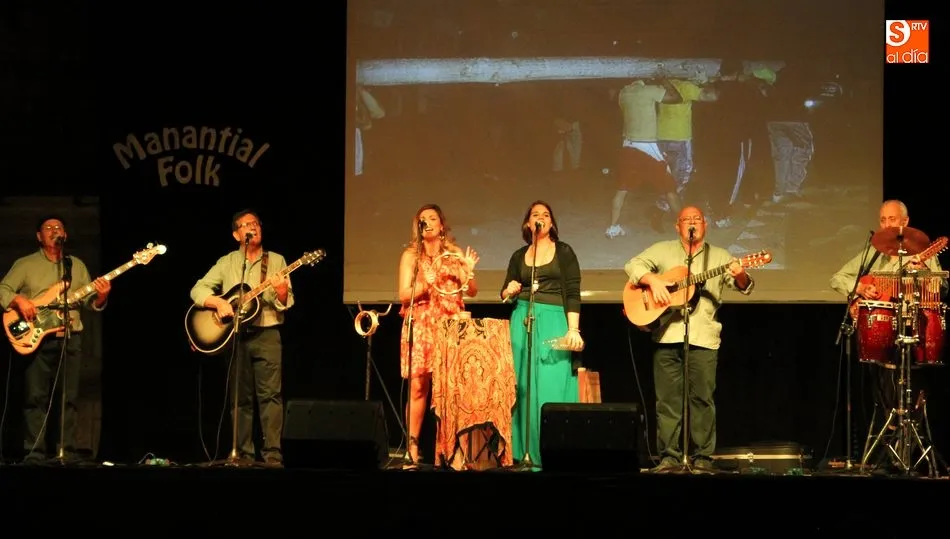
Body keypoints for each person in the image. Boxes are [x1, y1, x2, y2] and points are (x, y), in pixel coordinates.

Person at [624, 206, 754, 472]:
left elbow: (743, 286)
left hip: (704, 337)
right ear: (678, 226)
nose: (692, 223)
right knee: (667, 401)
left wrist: (741, 273)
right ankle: (669, 457)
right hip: (667, 335)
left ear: (705, 225)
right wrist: (654, 281)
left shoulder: (720, 256)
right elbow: (632, 265)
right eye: (687, 219)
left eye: (697, 219)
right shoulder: (662, 250)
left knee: (702, 400)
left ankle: (703, 457)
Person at [830, 200, 947, 458]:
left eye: (891, 219)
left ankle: (908, 452)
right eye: (882, 220)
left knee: (911, 390)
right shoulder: (875, 253)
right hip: (881, 332)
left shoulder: (924, 252)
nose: (886, 225)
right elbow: (837, 278)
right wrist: (860, 289)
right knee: (882, 389)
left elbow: (942, 288)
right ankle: (888, 449)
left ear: (905, 222)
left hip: (913, 331)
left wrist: (923, 272)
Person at [0, 216, 111, 463]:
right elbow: (2, 290)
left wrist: (101, 296)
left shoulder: (76, 266)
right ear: (39, 236)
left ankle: (65, 451)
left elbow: (89, 303)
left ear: (65, 235)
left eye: (58, 227)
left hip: (70, 337)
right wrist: (19, 300)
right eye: (48, 228)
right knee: (35, 397)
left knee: (68, 398)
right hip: (36, 338)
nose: (54, 231)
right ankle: (34, 453)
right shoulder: (25, 264)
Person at [190, 209, 294, 467]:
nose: (253, 227)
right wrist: (218, 303)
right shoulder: (227, 262)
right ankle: (243, 455)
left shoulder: (277, 260)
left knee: (271, 396)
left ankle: (272, 455)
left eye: (256, 223)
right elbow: (198, 289)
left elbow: (286, 302)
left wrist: (281, 292)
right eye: (247, 225)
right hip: (236, 337)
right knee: (240, 399)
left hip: (267, 333)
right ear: (237, 234)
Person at [501, 200, 584, 467]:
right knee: (522, 386)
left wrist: (573, 329)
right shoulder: (518, 255)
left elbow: (573, 292)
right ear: (528, 223)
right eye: (535, 214)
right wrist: (509, 291)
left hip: (554, 320)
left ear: (552, 223)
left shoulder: (564, 251)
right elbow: (505, 293)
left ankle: (552, 452)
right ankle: (522, 452)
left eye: (546, 215)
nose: (541, 218)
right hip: (522, 320)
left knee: (551, 385)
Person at [397, 204, 479, 465]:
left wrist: (468, 270)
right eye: (423, 219)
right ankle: (412, 446)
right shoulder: (411, 256)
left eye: (433, 218)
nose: (428, 223)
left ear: (442, 225)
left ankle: (448, 449)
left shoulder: (454, 253)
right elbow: (403, 294)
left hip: (449, 324)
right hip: (421, 323)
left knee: (448, 388)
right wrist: (426, 283)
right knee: (418, 387)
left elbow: (472, 290)